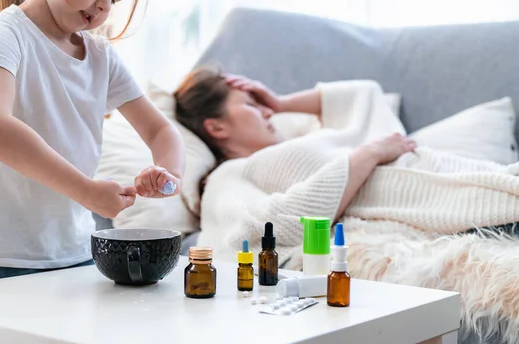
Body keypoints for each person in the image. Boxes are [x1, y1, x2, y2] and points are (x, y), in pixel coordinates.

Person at [0, 0, 185, 282]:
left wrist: (168, 172)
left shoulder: (102, 57)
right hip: (4, 250)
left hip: (75, 249)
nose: (105, 4)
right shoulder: (4, 32)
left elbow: (161, 131)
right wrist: (86, 191)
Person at [173, 66, 519, 267]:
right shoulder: (226, 176)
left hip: (454, 172)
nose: (268, 113)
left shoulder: (306, 135)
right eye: (251, 105)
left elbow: (365, 95)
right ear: (216, 127)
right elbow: (269, 228)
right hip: (440, 205)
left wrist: (281, 102)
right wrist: (368, 154)